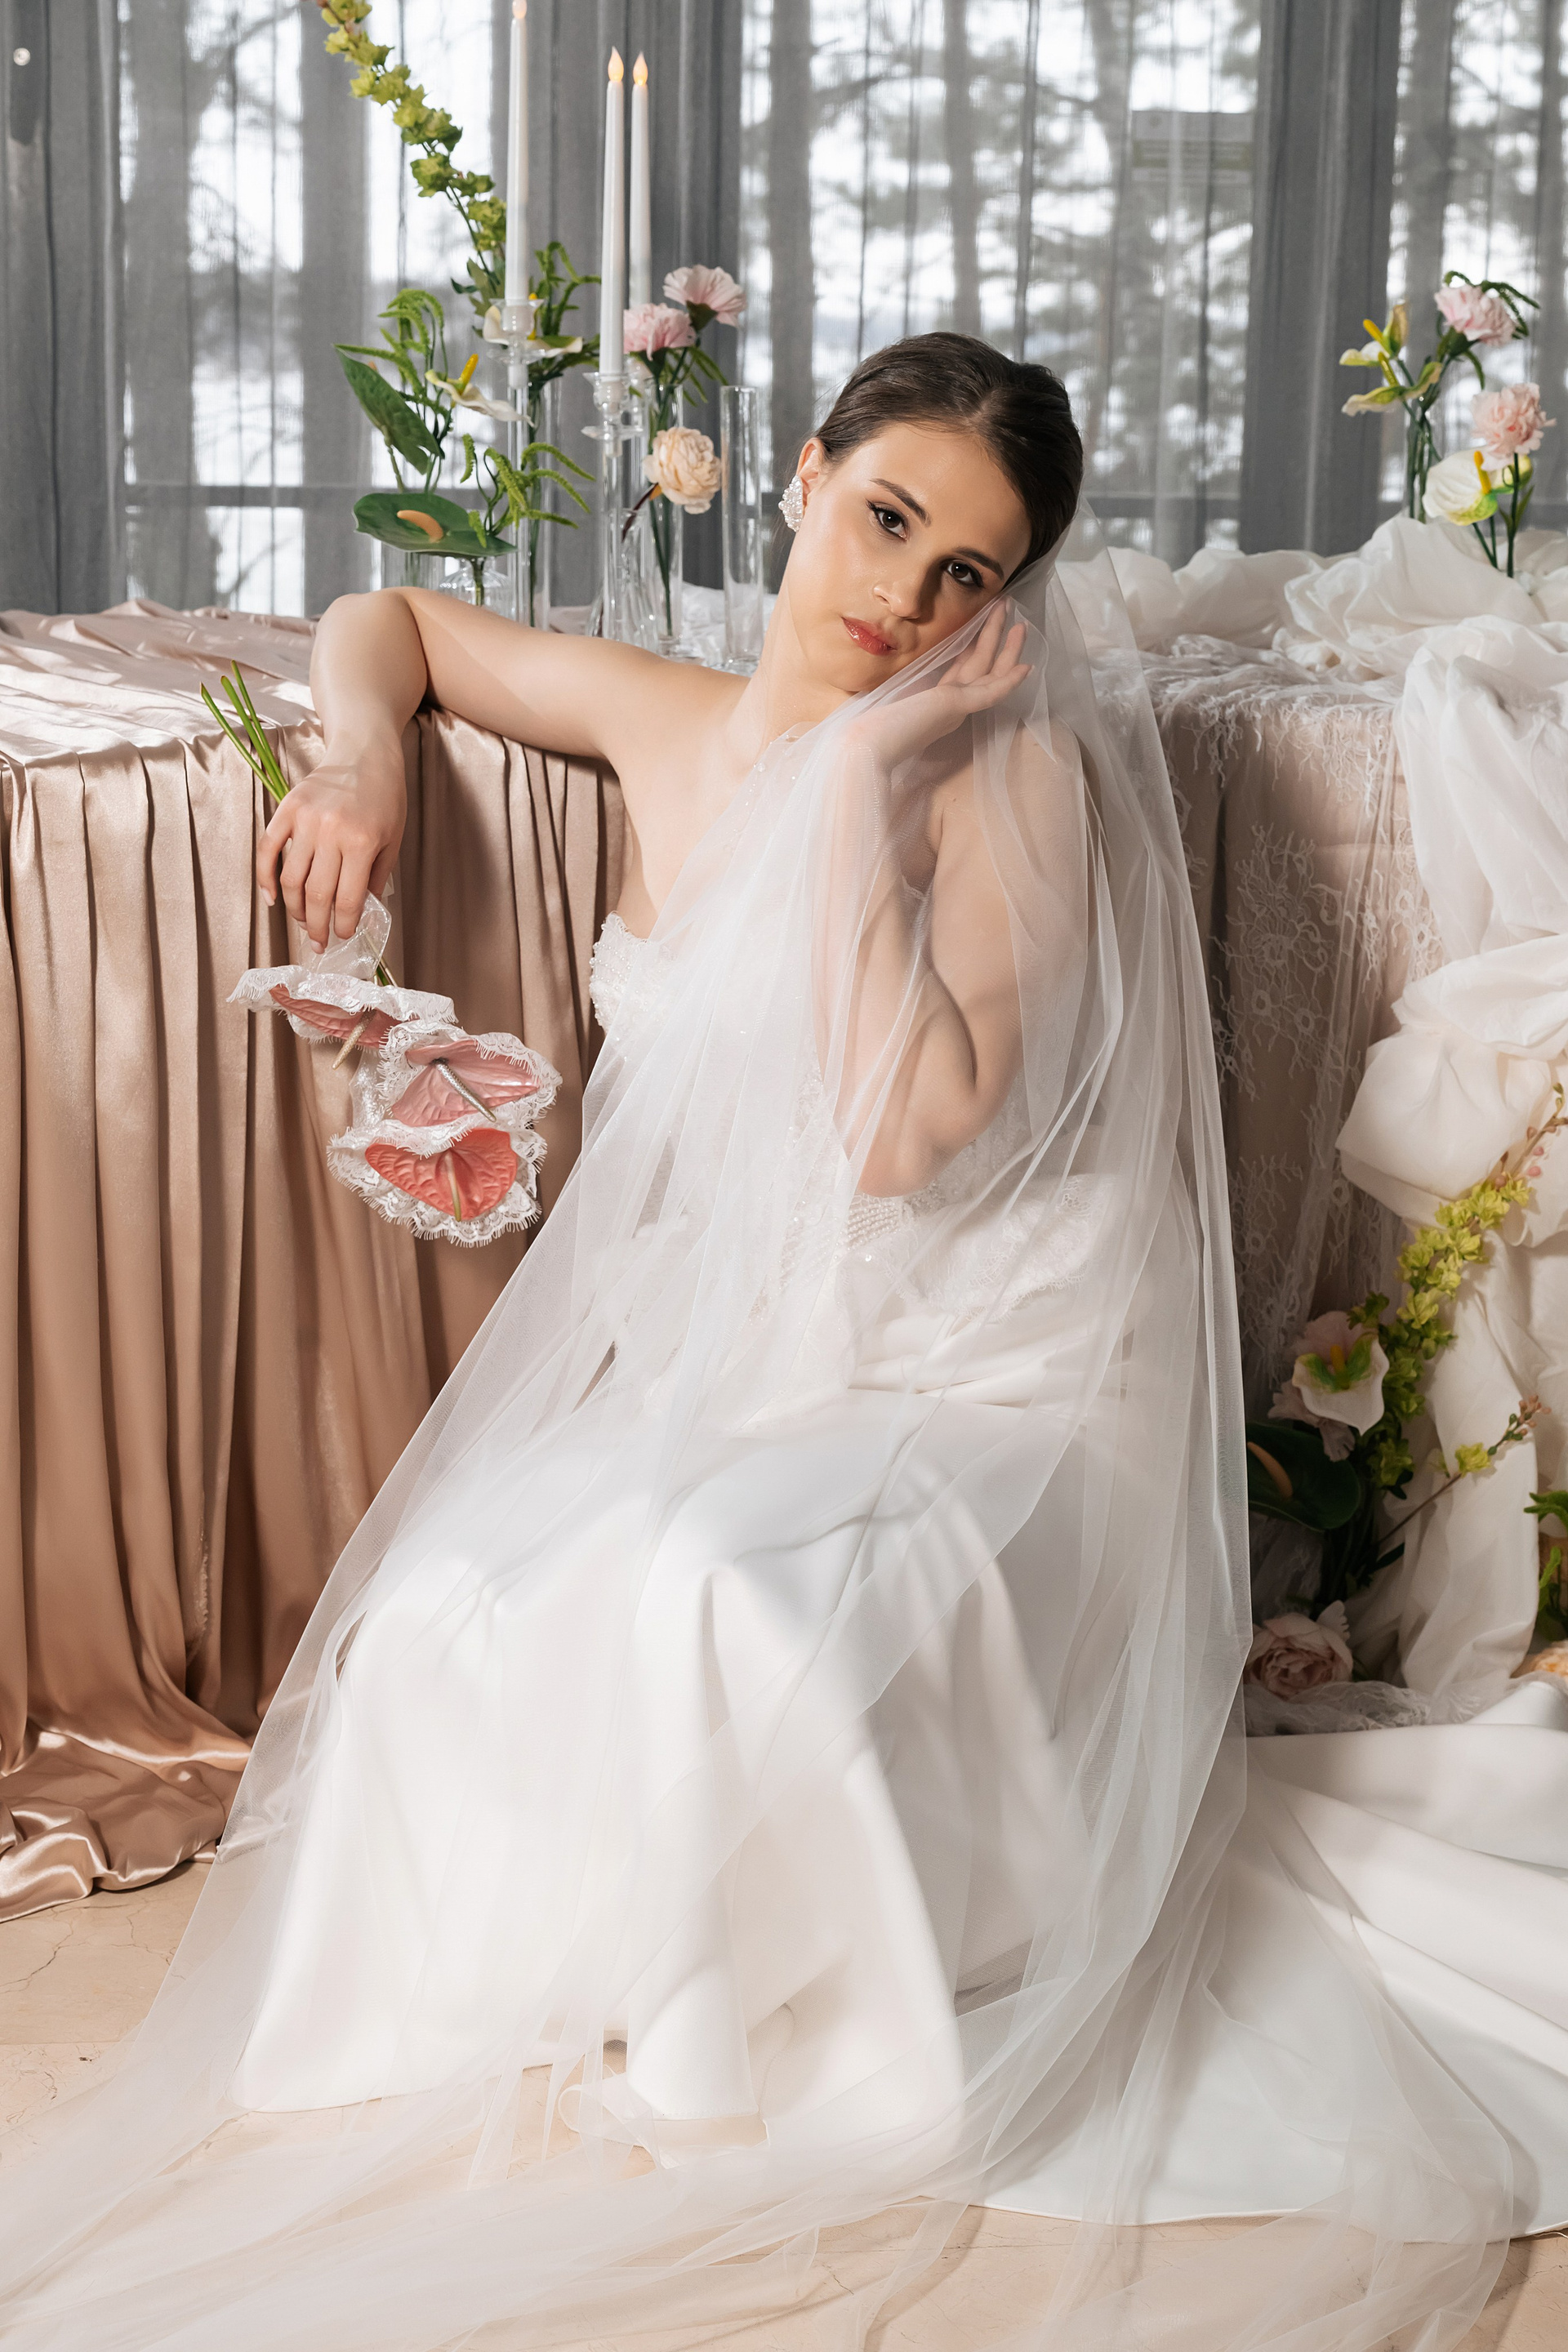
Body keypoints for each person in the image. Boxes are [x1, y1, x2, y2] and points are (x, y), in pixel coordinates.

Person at [1, 335, 1560, 2350]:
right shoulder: (663, 718)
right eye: (885, 518)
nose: (901, 598)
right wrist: (363, 762)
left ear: (1008, 605)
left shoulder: (1010, 782)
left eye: (965, 574)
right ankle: (573, 1974)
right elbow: (391, 622)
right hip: (772, 1378)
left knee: (717, 1604)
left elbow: (901, 1137)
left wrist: (866, 792)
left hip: (1004, 1400)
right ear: (806, 476)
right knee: (445, 1611)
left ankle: (754, 2020)